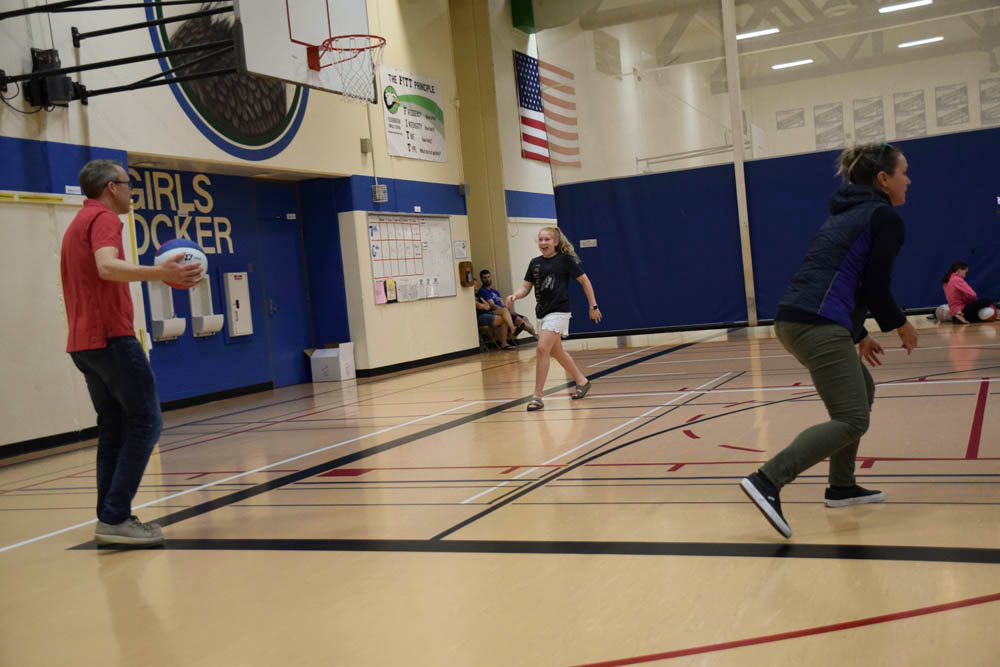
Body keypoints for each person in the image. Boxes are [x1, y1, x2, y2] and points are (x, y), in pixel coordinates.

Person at [739, 142, 919, 539]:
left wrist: (860, 334)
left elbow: (841, 279)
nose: (910, 179)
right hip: (817, 324)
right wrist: (899, 324)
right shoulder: (883, 217)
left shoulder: (846, 215)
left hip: (799, 319)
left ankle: (841, 487)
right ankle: (768, 479)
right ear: (883, 179)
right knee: (853, 417)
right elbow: (873, 285)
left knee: (863, 390)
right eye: (904, 172)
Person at [61, 159, 203, 547]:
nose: (130, 191)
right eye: (127, 184)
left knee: (115, 428)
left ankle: (109, 517)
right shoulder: (105, 220)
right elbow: (107, 268)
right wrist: (163, 274)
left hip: (83, 343)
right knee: (147, 422)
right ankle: (116, 516)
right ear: (110, 187)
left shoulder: (77, 223)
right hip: (110, 338)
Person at [506, 227, 602, 411]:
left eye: (547, 239)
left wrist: (593, 306)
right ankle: (582, 381)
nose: (543, 243)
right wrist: (515, 296)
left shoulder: (565, 261)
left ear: (555, 242)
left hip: (559, 312)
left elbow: (585, 281)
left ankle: (537, 396)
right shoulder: (535, 263)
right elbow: (526, 287)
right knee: (556, 352)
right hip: (542, 312)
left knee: (542, 349)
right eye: (540, 240)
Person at [477, 269, 536, 343]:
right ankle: (535, 334)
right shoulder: (482, 291)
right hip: (496, 312)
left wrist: (510, 310)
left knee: (525, 318)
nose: (487, 279)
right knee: (519, 320)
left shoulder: (495, 291)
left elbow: (503, 304)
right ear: (481, 279)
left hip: (504, 311)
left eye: (488, 277)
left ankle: (535, 334)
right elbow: (492, 305)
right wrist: (506, 311)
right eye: (485, 278)